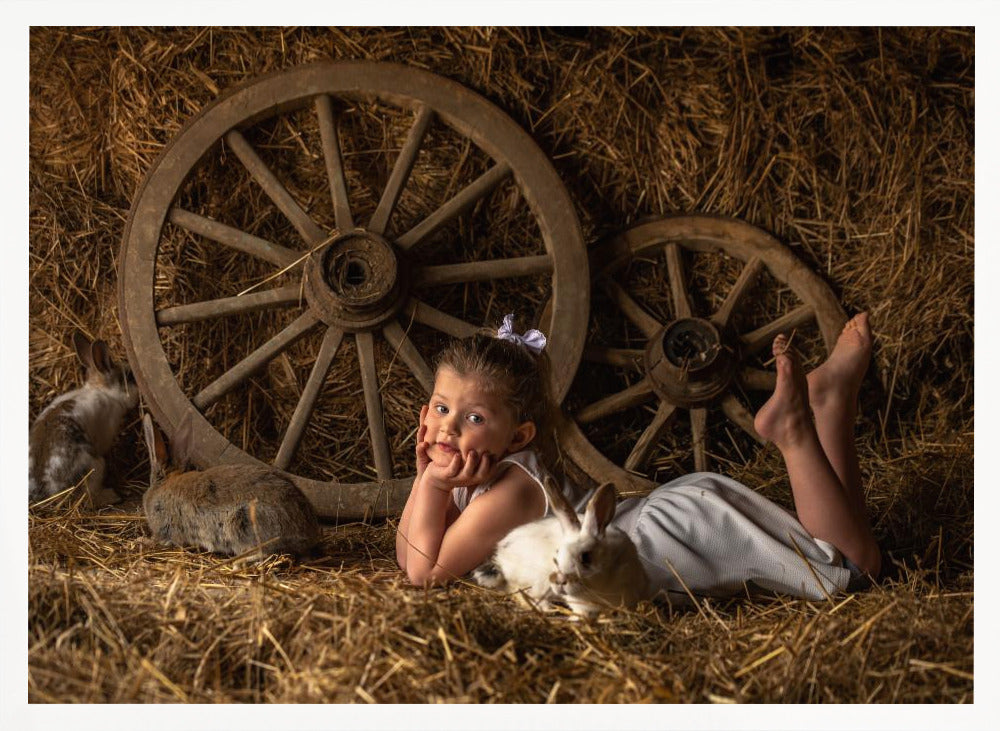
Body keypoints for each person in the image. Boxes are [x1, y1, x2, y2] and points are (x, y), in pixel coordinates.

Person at [396, 312, 881, 602]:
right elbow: (408, 554)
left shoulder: (512, 488)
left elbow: (422, 574)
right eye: (441, 407)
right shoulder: (470, 469)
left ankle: (795, 432)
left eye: (474, 418)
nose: (449, 426)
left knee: (856, 566)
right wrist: (426, 479)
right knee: (836, 545)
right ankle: (831, 406)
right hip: (650, 524)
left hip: (661, 543)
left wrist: (433, 487)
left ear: (520, 435)